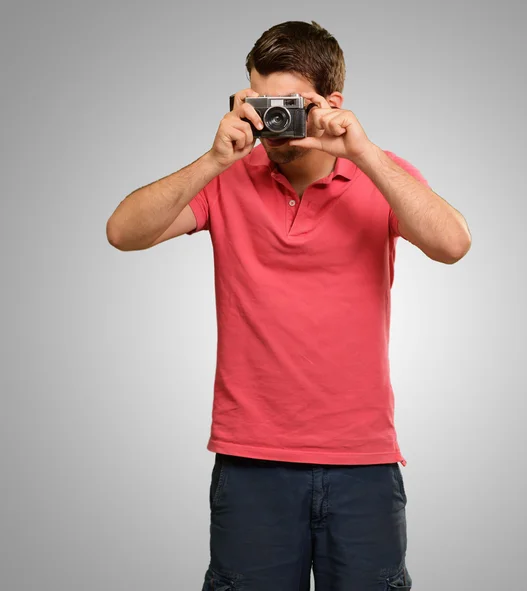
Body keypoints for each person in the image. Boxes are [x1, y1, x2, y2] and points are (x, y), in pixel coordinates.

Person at [106, 19, 471, 591]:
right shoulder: (226, 176)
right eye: (262, 101)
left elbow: (453, 244)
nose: (277, 121)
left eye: (292, 105)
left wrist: (361, 150)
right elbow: (123, 233)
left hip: (363, 461)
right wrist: (212, 159)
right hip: (251, 459)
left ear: (331, 102)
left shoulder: (381, 173)